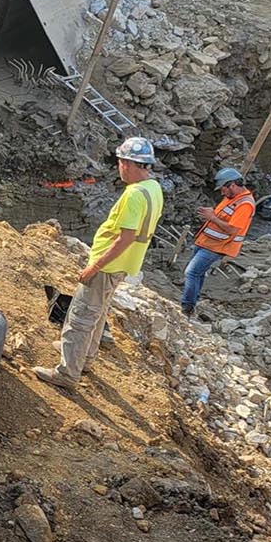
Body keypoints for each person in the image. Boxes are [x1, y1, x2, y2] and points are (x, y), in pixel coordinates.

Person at [33, 137, 163, 391]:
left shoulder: (135, 195)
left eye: (121, 162)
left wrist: (94, 266)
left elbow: (126, 237)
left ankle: (67, 372)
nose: (119, 167)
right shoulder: (153, 188)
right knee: (98, 310)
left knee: (81, 316)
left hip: (108, 265)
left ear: (129, 163)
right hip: (124, 264)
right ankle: (86, 357)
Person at [181, 167, 255, 318]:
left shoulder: (245, 204)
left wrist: (212, 217)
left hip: (218, 246)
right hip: (207, 242)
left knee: (191, 272)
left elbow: (233, 230)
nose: (222, 193)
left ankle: (187, 308)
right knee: (198, 273)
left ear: (232, 185)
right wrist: (213, 214)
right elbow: (224, 217)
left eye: (223, 189)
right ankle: (192, 302)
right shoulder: (231, 198)